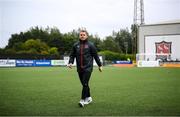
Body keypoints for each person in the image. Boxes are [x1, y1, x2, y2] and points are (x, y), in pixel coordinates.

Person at [67, 29, 102, 107]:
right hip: (79, 68)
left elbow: (96, 56)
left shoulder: (91, 45)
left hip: (88, 68)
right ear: (79, 36)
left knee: (85, 83)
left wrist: (100, 65)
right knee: (84, 84)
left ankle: (82, 100)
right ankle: (89, 98)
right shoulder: (75, 45)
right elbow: (72, 55)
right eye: (81, 35)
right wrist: (70, 62)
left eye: (84, 35)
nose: (82, 36)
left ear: (87, 36)